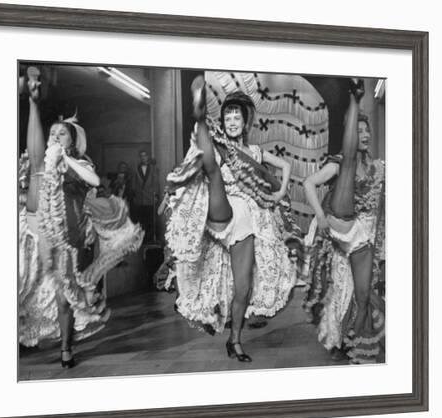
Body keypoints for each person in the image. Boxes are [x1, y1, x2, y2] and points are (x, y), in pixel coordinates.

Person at [165, 76, 301, 362]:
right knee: (213, 170)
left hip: (247, 221)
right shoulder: (220, 146)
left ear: (245, 122)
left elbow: (286, 165)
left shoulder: (255, 152)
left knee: (243, 288)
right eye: (227, 116)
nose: (231, 121)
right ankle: (199, 117)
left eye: (236, 117)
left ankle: (235, 340)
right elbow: (198, 164)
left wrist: (281, 192)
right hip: (221, 209)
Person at [18, 68, 144, 368]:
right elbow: (35, 156)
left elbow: (95, 179)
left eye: (61, 132)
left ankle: (65, 347)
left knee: (64, 298)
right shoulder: (39, 161)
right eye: (53, 132)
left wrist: (68, 161)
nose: (55, 135)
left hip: (64, 241)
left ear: (73, 139)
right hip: (32, 233)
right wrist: (34, 104)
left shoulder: (78, 162)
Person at [303, 79, 385, 364]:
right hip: (339, 225)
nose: (363, 134)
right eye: (358, 130)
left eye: (366, 130)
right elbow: (309, 183)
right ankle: (355, 99)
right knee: (339, 292)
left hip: (363, 236)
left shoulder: (379, 168)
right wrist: (320, 216)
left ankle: (354, 343)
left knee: (361, 295)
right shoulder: (339, 161)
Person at [133, 151, 160, 242]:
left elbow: (156, 182)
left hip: (149, 197)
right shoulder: (136, 168)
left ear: (148, 157)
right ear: (139, 158)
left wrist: (156, 195)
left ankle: (150, 238)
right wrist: (134, 195)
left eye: (145, 156)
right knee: (141, 219)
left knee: (150, 219)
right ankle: (141, 240)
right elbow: (134, 183)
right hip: (140, 198)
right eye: (141, 156)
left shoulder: (153, 168)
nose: (143, 158)